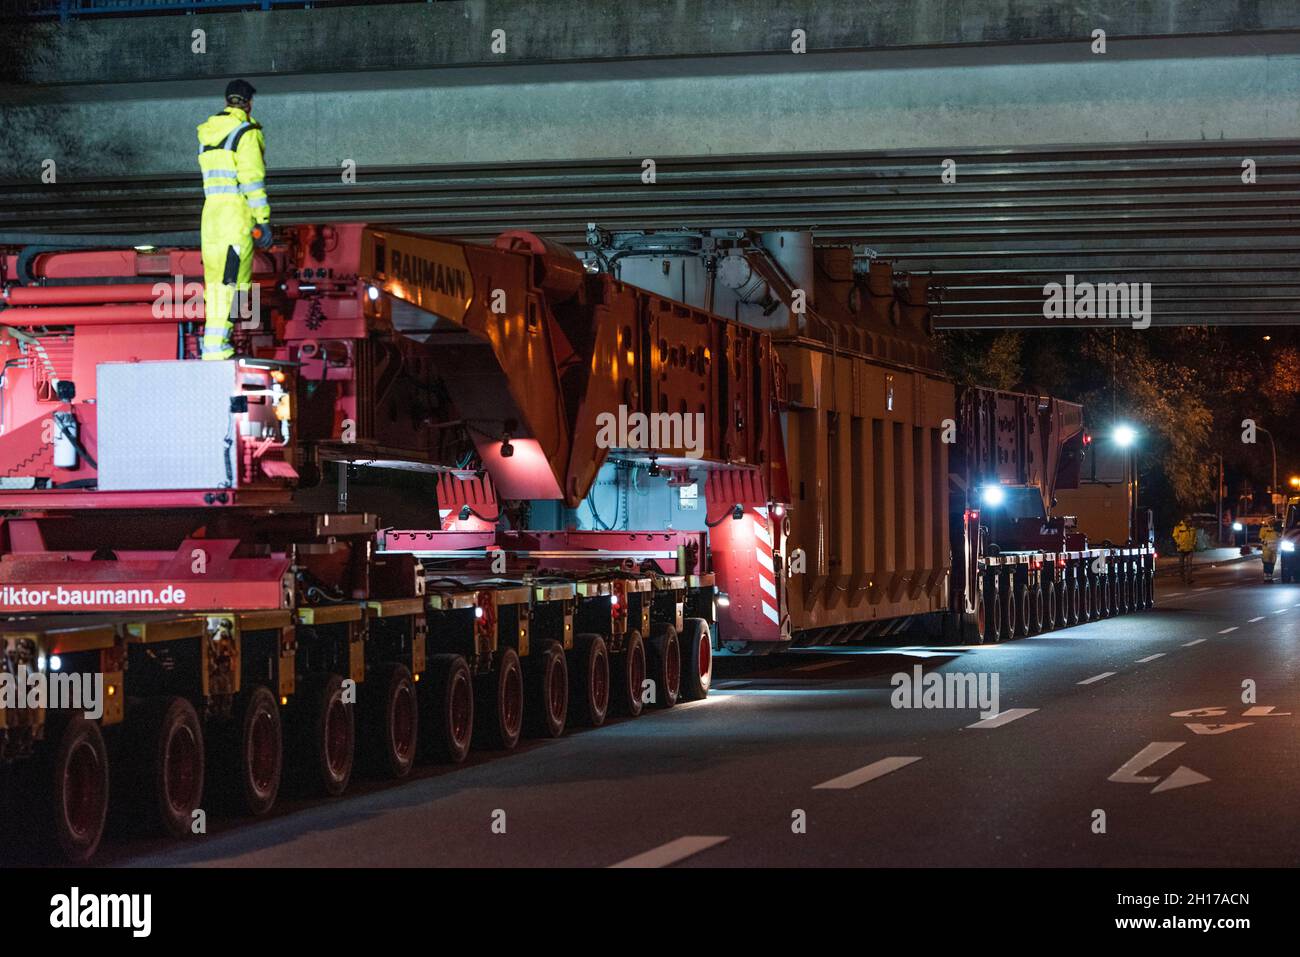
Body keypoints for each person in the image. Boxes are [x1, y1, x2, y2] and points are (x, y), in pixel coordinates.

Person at [196, 79, 271, 360]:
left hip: (211, 218)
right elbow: (252, 181)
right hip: (234, 219)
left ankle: (216, 342)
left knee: (216, 283)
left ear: (227, 101)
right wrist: (262, 220)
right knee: (233, 284)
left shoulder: (208, 134)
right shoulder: (247, 133)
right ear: (249, 103)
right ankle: (216, 347)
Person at [1172, 517, 1197, 584]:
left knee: (1189, 565)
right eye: (1188, 521)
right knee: (1181, 565)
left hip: (1190, 549)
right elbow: (1174, 535)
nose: (1189, 523)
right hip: (1181, 549)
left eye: (1190, 521)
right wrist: (1178, 542)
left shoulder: (1192, 528)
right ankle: (1182, 578)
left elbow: (1195, 537)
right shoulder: (1178, 527)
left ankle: (1189, 579)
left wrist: (1193, 544)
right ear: (1184, 521)